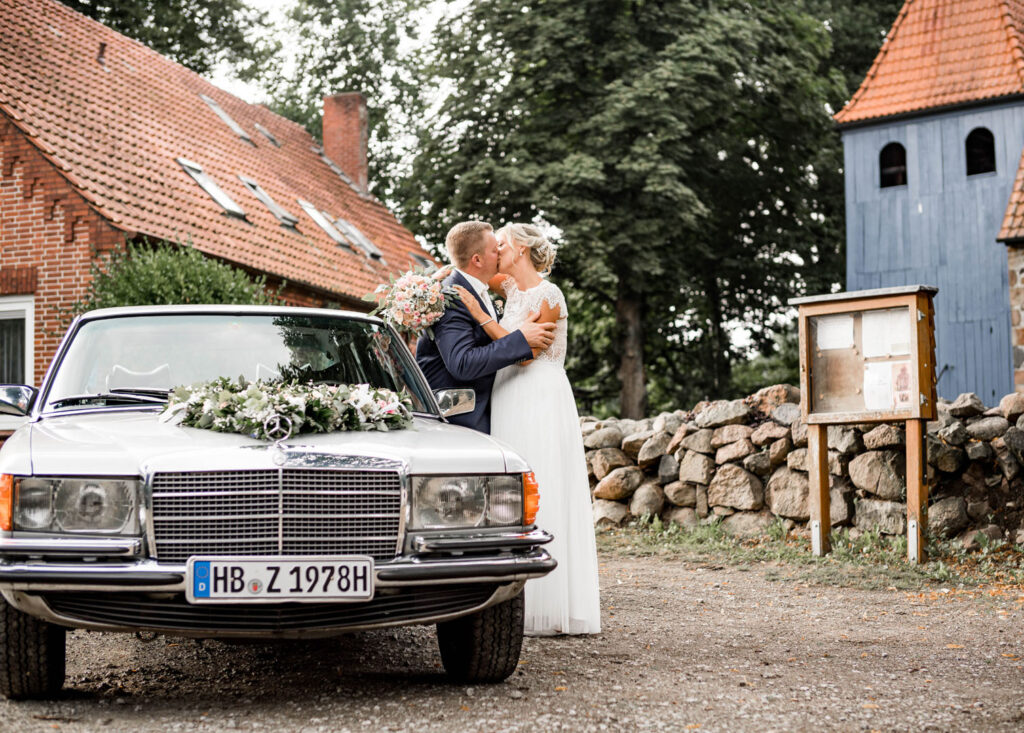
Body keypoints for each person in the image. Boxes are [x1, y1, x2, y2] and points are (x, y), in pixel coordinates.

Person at [452, 223, 601, 636]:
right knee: (510, 492)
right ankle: (511, 597)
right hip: (508, 396)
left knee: (543, 483)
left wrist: (481, 317)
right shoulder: (511, 289)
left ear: (518, 249)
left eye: (501, 243)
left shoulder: (549, 297)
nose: (495, 249)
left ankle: (548, 602)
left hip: (539, 394)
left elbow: (524, 354)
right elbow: (466, 270)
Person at [415, 221, 557, 433]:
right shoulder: (450, 298)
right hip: (460, 420)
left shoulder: (477, 288)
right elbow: (462, 363)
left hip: (496, 409)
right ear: (477, 260)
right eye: (494, 249)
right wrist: (520, 339)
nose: (499, 253)